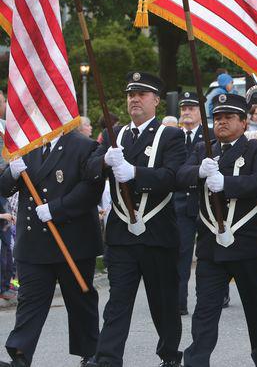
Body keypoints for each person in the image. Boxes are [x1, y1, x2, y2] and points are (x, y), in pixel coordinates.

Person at [87, 72, 185, 367]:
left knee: (163, 302)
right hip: (121, 234)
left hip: (157, 233)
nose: (135, 99)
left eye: (141, 94)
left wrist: (135, 173)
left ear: (156, 100)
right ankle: (107, 358)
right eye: (131, 94)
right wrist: (104, 161)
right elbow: (89, 169)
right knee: (118, 302)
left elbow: (174, 177)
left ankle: (169, 355)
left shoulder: (170, 135)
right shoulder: (115, 135)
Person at [179, 94, 257, 367]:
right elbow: (179, 174)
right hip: (212, 246)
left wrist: (227, 182)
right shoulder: (204, 149)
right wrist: (198, 172)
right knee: (205, 310)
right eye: (218, 118)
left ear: (244, 122)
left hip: (249, 245)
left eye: (229, 117)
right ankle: (196, 361)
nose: (222, 122)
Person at [0, 131, 104, 367]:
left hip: (72, 240)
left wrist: (57, 209)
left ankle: (90, 354)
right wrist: (12, 172)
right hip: (34, 242)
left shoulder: (84, 146)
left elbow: (91, 188)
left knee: (80, 301)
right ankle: (20, 355)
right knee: (29, 302)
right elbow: (4, 188)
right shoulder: (27, 146)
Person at [174, 92, 208, 316]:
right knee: (181, 254)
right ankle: (180, 301)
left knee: (210, 254)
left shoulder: (211, 135)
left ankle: (214, 297)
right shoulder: (173, 136)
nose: (187, 112)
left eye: (192, 108)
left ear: (200, 113)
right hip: (181, 203)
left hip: (205, 203)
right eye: (184, 108)